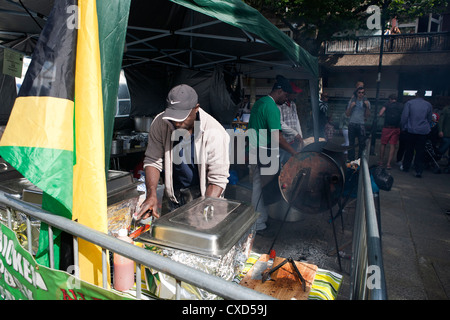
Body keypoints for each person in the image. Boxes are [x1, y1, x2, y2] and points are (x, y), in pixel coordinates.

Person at [135, 84, 230, 220]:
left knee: (199, 234)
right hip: (176, 194)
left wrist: (205, 209)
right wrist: (152, 195)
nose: (177, 123)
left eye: (182, 118)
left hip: (206, 195)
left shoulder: (215, 132)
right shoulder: (161, 123)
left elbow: (218, 179)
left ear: (196, 108)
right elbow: (152, 161)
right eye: (174, 118)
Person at [248, 75, 297, 234]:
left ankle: (260, 221)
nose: (286, 99)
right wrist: (294, 153)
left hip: (255, 148)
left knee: (259, 186)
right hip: (264, 151)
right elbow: (277, 137)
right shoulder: (272, 107)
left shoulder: (259, 103)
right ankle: (258, 224)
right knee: (261, 188)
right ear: (280, 91)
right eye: (286, 95)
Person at [400, 89, 433, 178]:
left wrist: (403, 127)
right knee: (420, 151)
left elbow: (404, 117)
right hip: (423, 131)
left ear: (416, 94)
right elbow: (430, 119)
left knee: (409, 150)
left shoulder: (409, 103)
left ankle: (406, 167)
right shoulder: (428, 105)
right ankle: (418, 170)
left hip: (411, 130)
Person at [278, 85, 304, 164]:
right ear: (288, 93)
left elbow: (296, 120)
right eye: (294, 93)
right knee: (281, 161)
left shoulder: (293, 104)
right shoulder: (279, 105)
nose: (296, 95)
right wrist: (295, 133)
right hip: (283, 141)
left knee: (290, 161)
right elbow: (280, 123)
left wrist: (300, 135)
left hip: (293, 140)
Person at [378, 94, 403, 169]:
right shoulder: (401, 105)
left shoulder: (387, 104)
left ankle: (381, 161)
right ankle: (388, 164)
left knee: (383, 144)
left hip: (387, 127)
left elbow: (380, 113)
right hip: (396, 128)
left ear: (390, 99)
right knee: (393, 146)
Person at [346, 87, 371, 161]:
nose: (361, 94)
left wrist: (367, 107)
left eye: (362, 93)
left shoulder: (366, 102)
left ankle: (360, 160)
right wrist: (351, 107)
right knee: (351, 143)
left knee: (362, 143)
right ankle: (351, 159)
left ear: (364, 94)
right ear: (356, 93)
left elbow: (367, 115)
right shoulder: (352, 101)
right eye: (359, 92)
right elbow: (347, 114)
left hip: (361, 124)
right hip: (352, 123)